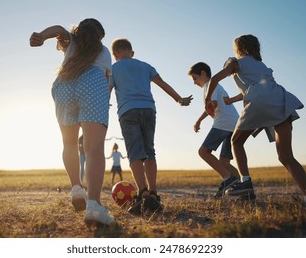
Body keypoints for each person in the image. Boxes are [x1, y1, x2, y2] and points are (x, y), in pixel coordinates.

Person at [205, 34, 306, 209]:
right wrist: (232, 100)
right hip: (280, 99)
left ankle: (245, 183)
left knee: (236, 142)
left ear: (241, 49)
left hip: (259, 101)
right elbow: (255, 87)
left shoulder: (235, 62)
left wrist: (208, 100)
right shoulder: (262, 65)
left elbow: (215, 79)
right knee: (286, 156)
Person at [29, 18, 115, 226]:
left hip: (64, 84)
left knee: (68, 143)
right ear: (100, 36)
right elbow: (106, 81)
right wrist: (103, 102)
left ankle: (76, 188)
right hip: (93, 83)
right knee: (93, 148)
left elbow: (58, 29)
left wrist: (42, 35)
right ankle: (94, 206)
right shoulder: (104, 51)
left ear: (78, 30)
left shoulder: (72, 42)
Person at [109, 38, 193, 215]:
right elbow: (162, 83)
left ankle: (142, 192)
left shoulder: (114, 68)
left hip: (128, 112)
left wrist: (101, 107)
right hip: (148, 110)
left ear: (114, 55)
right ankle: (154, 193)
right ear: (132, 52)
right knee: (149, 151)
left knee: (134, 152)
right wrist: (179, 99)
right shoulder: (145, 65)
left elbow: (107, 91)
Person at [188, 62, 240, 199]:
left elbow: (214, 104)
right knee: (224, 162)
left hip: (224, 122)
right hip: (233, 123)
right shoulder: (211, 87)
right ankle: (243, 187)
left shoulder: (210, 85)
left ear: (203, 74)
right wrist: (199, 120)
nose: (194, 83)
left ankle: (227, 179)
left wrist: (210, 105)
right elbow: (211, 106)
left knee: (203, 152)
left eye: (195, 78)